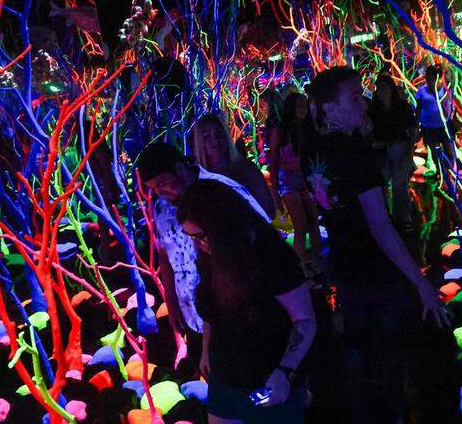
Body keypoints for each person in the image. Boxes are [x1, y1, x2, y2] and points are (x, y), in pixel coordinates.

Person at [307, 66, 451, 424]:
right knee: (385, 352)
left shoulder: (315, 151)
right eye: (353, 97)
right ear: (329, 108)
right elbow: (380, 224)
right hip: (377, 268)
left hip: (346, 266)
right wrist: (420, 282)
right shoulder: (356, 154)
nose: (364, 101)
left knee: (358, 351)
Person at [177, 179, 318, 424]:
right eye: (192, 236)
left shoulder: (271, 255)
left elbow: (306, 321)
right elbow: (214, 310)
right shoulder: (213, 253)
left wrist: (284, 374)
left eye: (201, 235)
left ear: (222, 225)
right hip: (228, 382)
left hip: (267, 385)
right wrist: (205, 349)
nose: (198, 244)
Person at [136, 141, 269, 340]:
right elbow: (165, 253)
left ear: (179, 169)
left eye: (162, 183)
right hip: (191, 315)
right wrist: (171, 302)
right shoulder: (162, 207)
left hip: (234, 313)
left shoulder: (223, 190)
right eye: (153, 188)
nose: (159, 192)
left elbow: (262, 236)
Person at [266, 91, 322, 271]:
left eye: (304, 104)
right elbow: (273, 162)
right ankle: (300, 269)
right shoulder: (281, 130)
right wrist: (275, 195)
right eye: (299, 105)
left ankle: (317, 261)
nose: (303, 109)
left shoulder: (306, 128)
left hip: (303, 179)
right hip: (287, 180)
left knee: (313, 219)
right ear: (290, 108)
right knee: (300, 224)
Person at [191, 113, 276, 219]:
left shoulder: (246, 170)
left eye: (219, 133)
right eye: (206, 136)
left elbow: (269, 211)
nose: (215, 140)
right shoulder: (199, 181)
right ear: (199, 143)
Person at [368, 74, 417, 230]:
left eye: (385, 87)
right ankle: (385, 218)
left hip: (399, 146)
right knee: (381, 182)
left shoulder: (401, 106)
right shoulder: (373, 109)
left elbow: (412, 127)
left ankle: (403, 217)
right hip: (381, 149)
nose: (382, 91)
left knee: (399, 183)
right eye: (380, 88)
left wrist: (409, 148)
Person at [414, 65, 456, 174]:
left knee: (449, 151)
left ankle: (450, 173)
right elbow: (418, 110)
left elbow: (451, 105)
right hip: (428, 128)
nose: (430, 81)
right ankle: (440, 174)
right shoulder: (422, 92)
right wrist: (416, 126)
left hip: (444, 126)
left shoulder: (446, 89)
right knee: (435, 152)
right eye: (428, 78)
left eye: (433, 78)